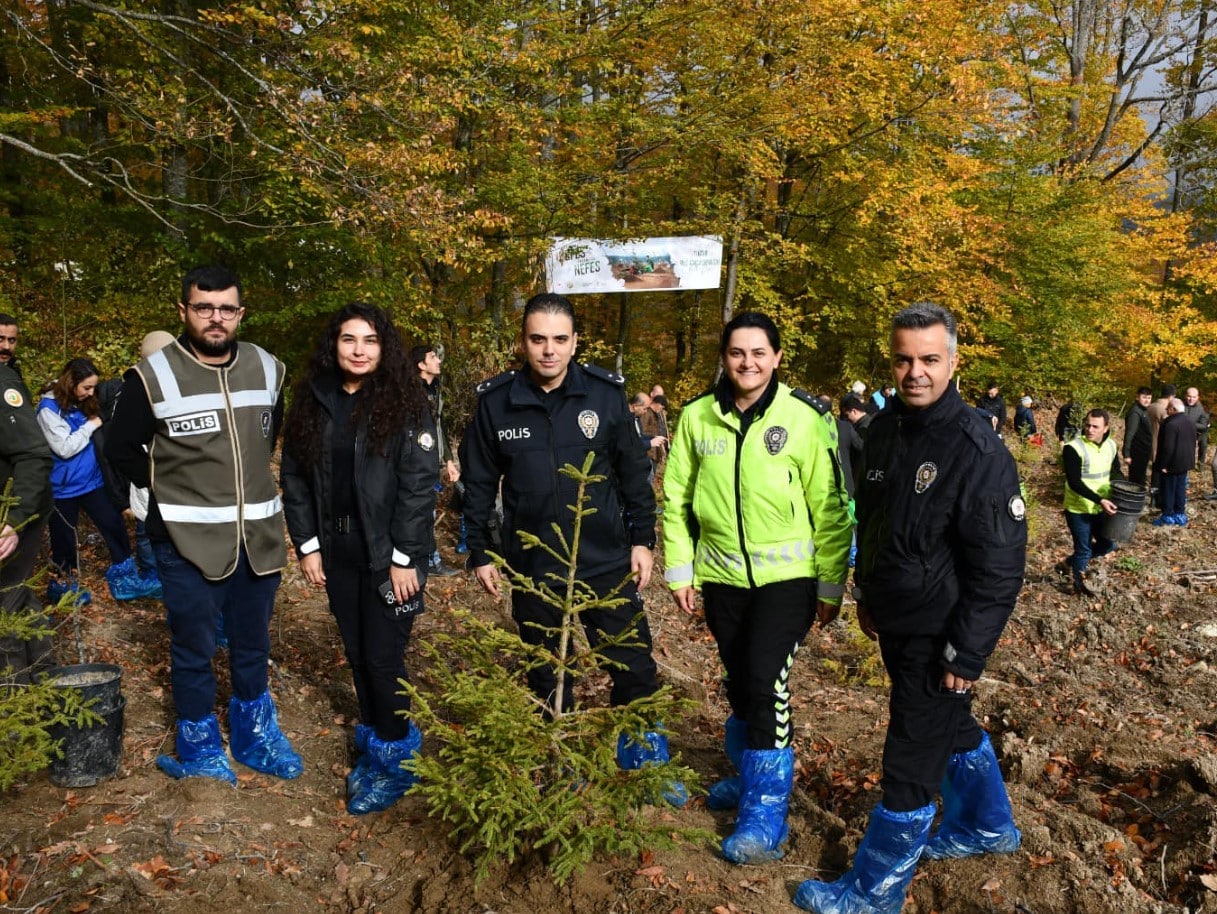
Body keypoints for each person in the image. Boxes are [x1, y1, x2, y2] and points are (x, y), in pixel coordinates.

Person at [795, 303, 1025, 914]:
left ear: (953, 360)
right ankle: (986, 825)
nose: (915, 372)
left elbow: (999, 566)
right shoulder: (883, 430)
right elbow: (872, 521)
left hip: (941, 636)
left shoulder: (979, 451)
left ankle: (875, 891)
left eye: (929, 359)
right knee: (949, 728)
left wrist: (967, 650)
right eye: (903, 359)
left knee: (910, 757)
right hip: (894, 617)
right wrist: (867, 591)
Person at [461, 292, 684, 804]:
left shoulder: (604, 396)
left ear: (575, 342)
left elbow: (634, 475)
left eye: (560, 340)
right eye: (537, 339)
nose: (548, 351)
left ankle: (644, 759)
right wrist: (479, 551)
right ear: (523, 341)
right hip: (535, 564)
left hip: (605, 560)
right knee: (547, 669)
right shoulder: (496, 403)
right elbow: (477, 485)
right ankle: (559, 760)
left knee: (633, 664)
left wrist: (642, 540)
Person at [664, 313, 851, 865]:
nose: (748, 363)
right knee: (740, 680)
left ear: (776, 357)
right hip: (722, 580)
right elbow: (676, 499)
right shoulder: (698, 417)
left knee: (767, 679)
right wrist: (681, 570)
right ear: (724, 357)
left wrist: (831, 583)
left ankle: (765, 813)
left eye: (759, 352)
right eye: (737, 353)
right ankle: (750, 775)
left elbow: (833, 509)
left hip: (789, 581)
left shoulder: (806, 418)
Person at [106, 265, 302, 785]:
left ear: (239, 312)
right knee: (193, 648)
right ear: (184, 311)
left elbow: (268, 435)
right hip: (183, 542)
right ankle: (198, 747)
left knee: (252, 641)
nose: (215, 318)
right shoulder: (153, 376)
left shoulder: (267, 367)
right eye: (202, 307)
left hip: (257, 538)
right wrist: (170, 491)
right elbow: (120, 448)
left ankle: (254, 735)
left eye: (225, 309)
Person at [283, 303, 437, 813]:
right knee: (356, 654)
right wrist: (307, 545)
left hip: (389, 555)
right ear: (334, 344)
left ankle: (395, 761)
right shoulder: (313, 399)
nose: (358, 349)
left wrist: (403, 557)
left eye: (369, 340)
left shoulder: (406, 402)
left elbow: (418, 487)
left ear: (383, 347)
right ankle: (376, 744)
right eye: (349, 339)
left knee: (383, 657)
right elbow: (295, 478)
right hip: (337, 551)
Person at [37, 359, 159, 604]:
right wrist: (91, 425)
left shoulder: (82, 402)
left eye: (93, 387)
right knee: (64, 541)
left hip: (92, 483)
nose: (91, 393)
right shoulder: (48, 410)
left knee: (114, 527)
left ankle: (125, 580)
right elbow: (64, 448)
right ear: (70, 383)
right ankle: (62, 586)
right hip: (63, 489)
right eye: (86, 388)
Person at [0, 347, 54, 684]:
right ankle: (45, 675)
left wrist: (15, 520)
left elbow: (34, 455)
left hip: (16, 510)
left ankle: (13, 703)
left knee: (4, 605)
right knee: (18, 592)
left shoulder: (3, 383)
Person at [412, 343, 460, 577]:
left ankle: (428, 560)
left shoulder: (437, 389)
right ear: (421, 365)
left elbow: (441, 426)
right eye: (433, 357)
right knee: (422, 512)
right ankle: (429, 561)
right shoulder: (410, 393)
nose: (438, 361)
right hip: (415, 464)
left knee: (427, 511)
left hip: (434, 462)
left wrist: (449, 461)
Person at [1062, 410, 1122, 595]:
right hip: (1078, 508)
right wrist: (1100, 499)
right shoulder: (1073, 448)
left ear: (1105, 429)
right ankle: (1079, 588)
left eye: (1095, 426)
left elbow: (1115, 472)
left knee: (1108, 545)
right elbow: (1074, 482)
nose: (1089, 429)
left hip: (1101, 508)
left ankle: (1068, 563)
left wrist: (1125, 489)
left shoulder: (1111, 446)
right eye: (1087, 425)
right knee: (1084, 550)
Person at [1154, 397, 1196, 527]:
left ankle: (1167, 516)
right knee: (1180, 489)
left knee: (1168, 490)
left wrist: (1164, 464)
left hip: (1171, 464)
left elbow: (1168, 447)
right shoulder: (1190, 421)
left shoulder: (1170, 424)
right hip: (1185, 462)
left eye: (1168, 408)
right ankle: (1180, 514)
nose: (1166, 410)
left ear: (1174, 409)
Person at [1123, 387, 1153, 486]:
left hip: (1143, 451)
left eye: (1149, 398)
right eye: (1144, 397)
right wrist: (1126, 454)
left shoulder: (1144, 411)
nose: (1146, 400)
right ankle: (1134, 500)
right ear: (1137, 397)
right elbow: (1130, 433)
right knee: (1136, 481)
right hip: (1137, 452)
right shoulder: (1135, 412)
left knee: (1140, 479)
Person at [1183, 387, 1210, 466]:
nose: (1191, 399)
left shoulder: (1201, 409)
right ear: (1185, 396)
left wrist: (1188, 423)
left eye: (1194, 397)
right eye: (1189, 396)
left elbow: (1204, 425)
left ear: (1198, 397)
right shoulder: (1180, 405)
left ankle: (1200, 464)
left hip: (1200, 431)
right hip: (1184, 432)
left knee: (1203, 444)